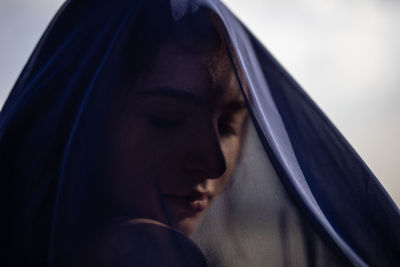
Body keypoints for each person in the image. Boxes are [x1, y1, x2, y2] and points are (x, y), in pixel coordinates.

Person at [1, 0, 399, 266]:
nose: (213, 161)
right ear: (80, 120)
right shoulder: (150, 254)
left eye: (229, 124)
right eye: (166, 119)